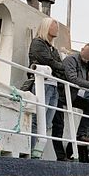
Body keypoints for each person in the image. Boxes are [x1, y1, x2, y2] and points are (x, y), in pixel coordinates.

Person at [59, 43, 89, 162]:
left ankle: (81, 135)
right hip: (62, 94)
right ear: (82, 50)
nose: (88, 55)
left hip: (72, 95)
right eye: (87, 51)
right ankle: (63, 153)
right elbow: (72, 78)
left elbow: (87, 81)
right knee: (58, 126)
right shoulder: (71, 60)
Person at [28, 17, 66, 158]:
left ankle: (37, 153)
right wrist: (62, 67)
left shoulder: (52, 48)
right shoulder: (38, 43)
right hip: (42, 84)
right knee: (37, 120)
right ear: (46, 27)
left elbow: (57, 64)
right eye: (54, 26)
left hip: (53, 86)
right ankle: (31, 152)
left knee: (47, 122)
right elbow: (50, 62)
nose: (56, 29)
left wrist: (60, 67)